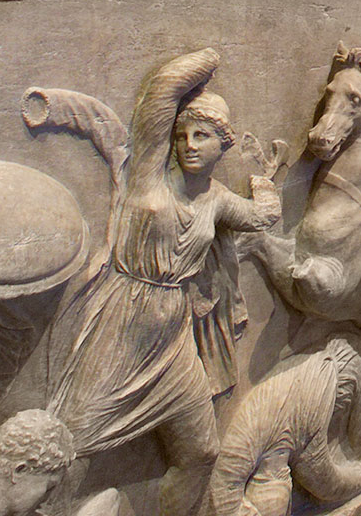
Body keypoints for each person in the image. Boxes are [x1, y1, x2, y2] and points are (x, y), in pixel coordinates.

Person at [47, 50, 281, 516]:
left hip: (173, 334)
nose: (189, 145)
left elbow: (262, 217)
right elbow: (162, 90)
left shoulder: (216, 200)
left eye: (202, 136)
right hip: (123, 324)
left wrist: (264, 185)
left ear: (223, 144)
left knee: (202, 451)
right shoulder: (149, 178)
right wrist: (211, 57)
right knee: (71, 442)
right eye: (181, 135)